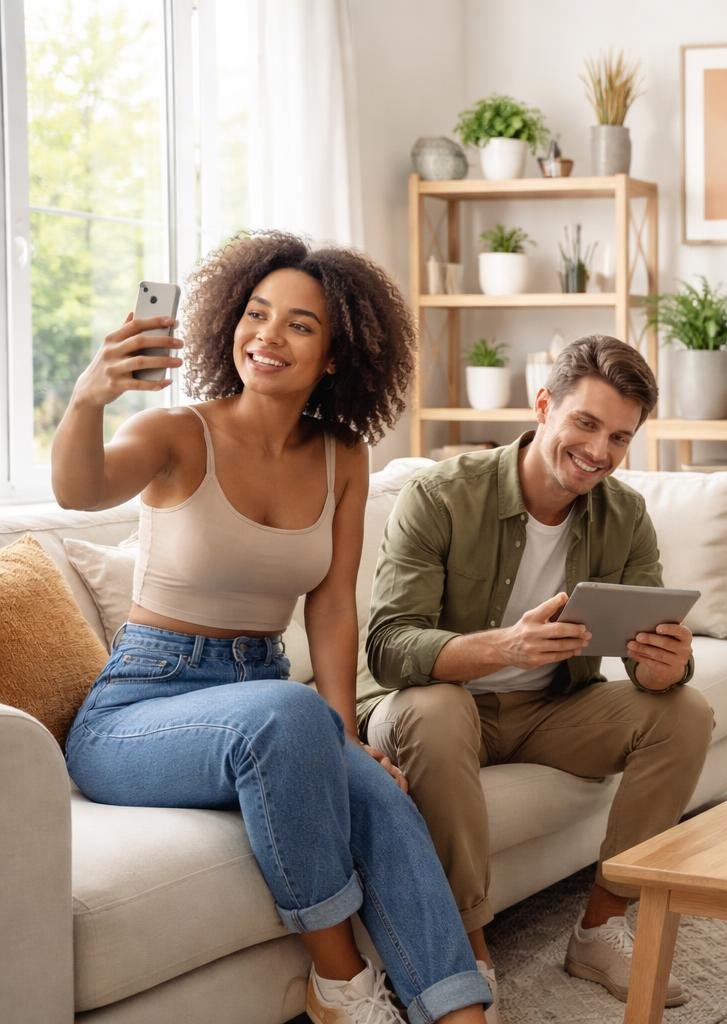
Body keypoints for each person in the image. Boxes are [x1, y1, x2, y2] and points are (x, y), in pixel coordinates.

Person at [56, 232, 492, 1024]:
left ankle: (461, 1014)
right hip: (135, 713)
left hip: (259, 703)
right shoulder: (177, 433)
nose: (267, 335)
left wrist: (348, 735)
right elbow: (78, 491)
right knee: (290, 713)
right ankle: (343, 987)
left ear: (334, 354)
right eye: (256, 314)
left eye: (298, 324)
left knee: (381, 795)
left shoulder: (342, 456)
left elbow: (330, 602)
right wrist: (90, 398)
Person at [361, 334, 713, 1010]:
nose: (599, 452)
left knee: (686, 713)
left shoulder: (625, 514)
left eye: (619, 437)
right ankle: (468, 953)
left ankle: (602, 928)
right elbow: (389, 645)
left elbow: (653, 658)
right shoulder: (439, 495)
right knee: (434, 711)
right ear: (544, 405)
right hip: (438, 705)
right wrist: (505, 649)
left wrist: (667, 666)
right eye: (585, 423)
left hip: (551, 709)